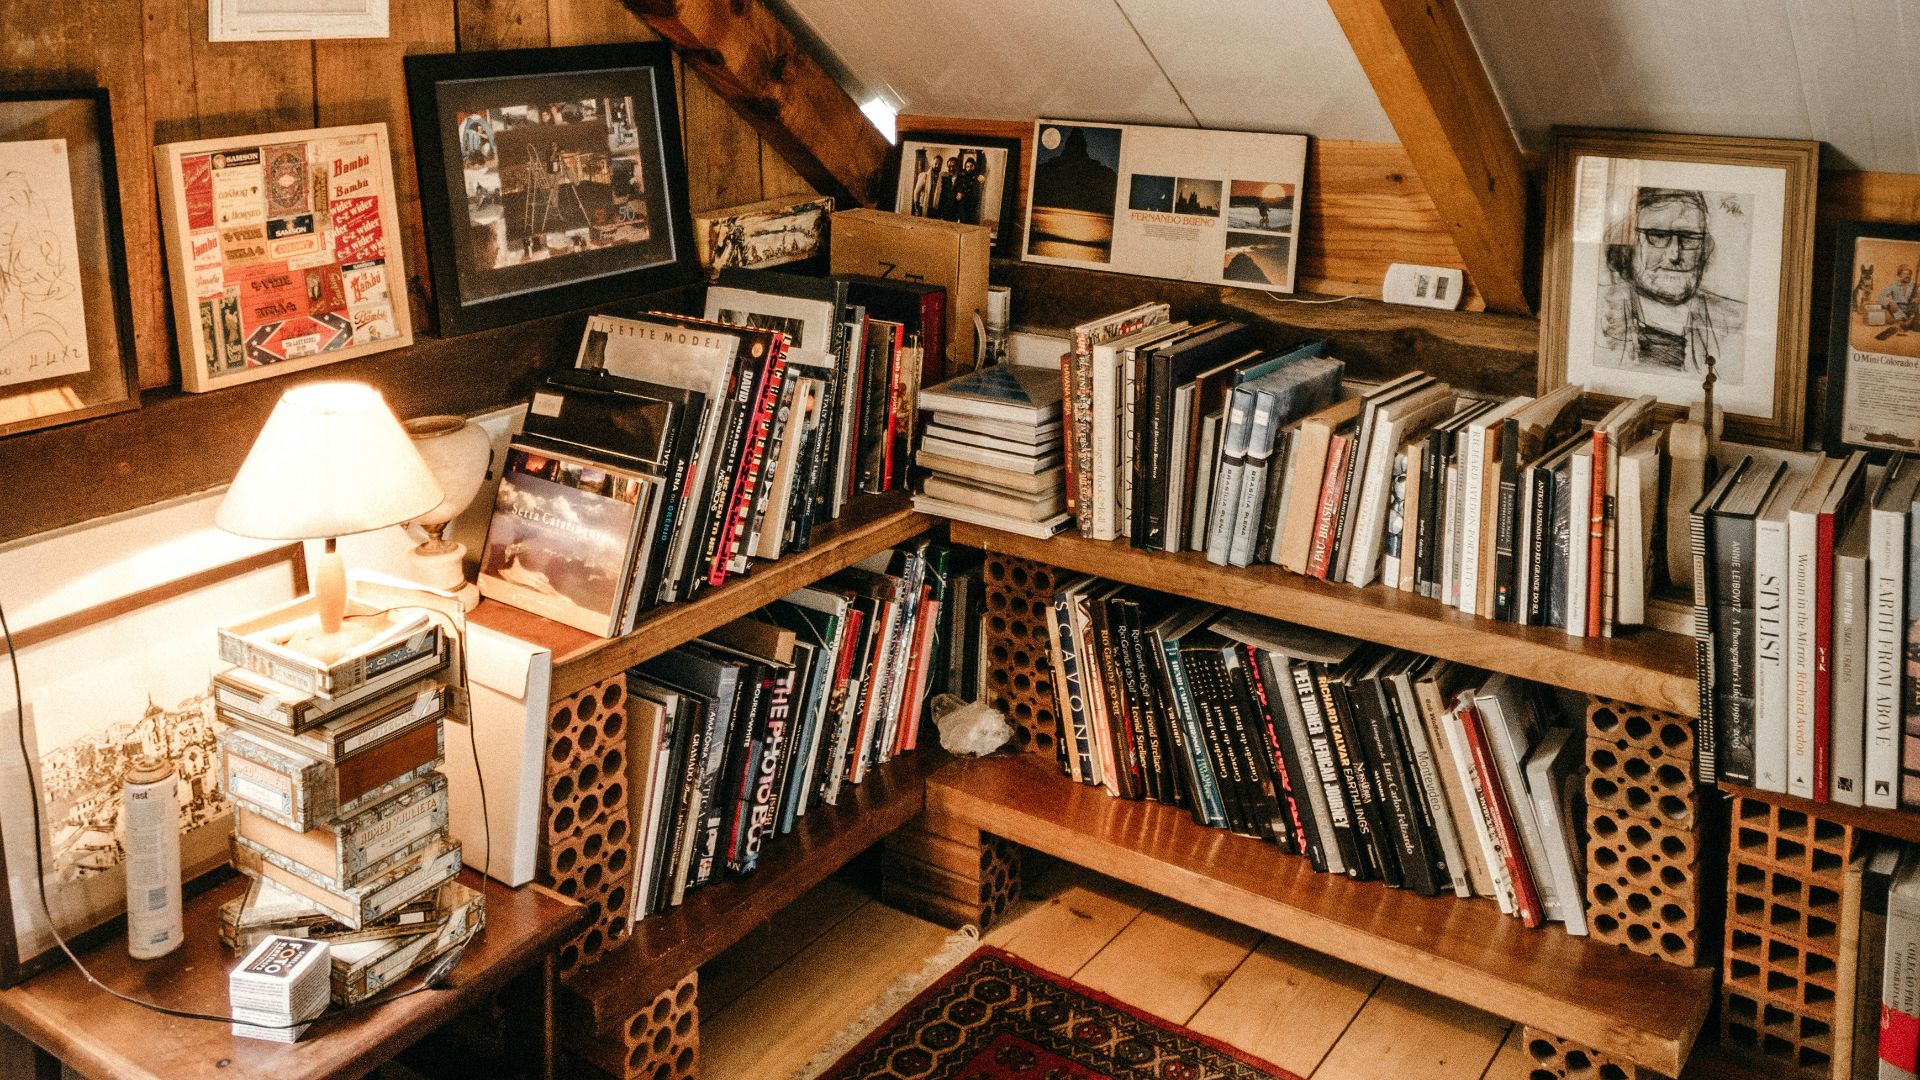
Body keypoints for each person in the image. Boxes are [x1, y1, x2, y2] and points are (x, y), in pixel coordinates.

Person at [1595, 187, 1745, 376]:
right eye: (1657, 236)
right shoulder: (1596, 310)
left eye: (1689, 238)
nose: (1674, 254)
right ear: (1628, 244)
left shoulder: (1735, 323)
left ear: (1705, 248)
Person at [1876, 264, 1920, 338]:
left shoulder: (1915, 286)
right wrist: (1890, 302)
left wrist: (1918, 299)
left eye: (1909, 274)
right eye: (1905, 274)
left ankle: (1907, 322)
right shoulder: (1893, 285)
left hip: (1911, 311)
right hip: (1897, 311)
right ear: (1899, 275)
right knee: (1902, 324)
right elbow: (1881, 296)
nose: (1908, 276)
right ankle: (1902, 322)